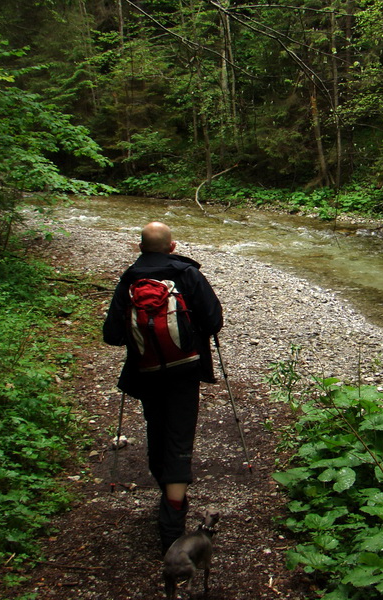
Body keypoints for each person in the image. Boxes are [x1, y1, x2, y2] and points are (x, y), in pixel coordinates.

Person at [103, 222, 223, 553]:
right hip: (185, 370)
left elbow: (112, 335)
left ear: (139, 247)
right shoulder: (187, 273)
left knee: (157, 429)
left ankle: (167, 491)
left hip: (147, 372)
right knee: (180, 437)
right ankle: (171, 526)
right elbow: (214, 321)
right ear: (172, 247)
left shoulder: (129, 279)